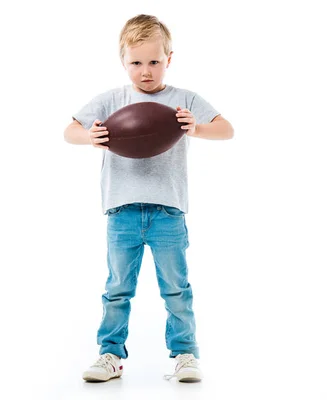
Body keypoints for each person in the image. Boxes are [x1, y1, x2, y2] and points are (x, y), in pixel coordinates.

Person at [63, 14, 234, 383]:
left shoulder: (183, 99)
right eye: (136, 62)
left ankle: (186, 354)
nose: (145, 71)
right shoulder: (112, 100)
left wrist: (196, 127)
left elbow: (227, 129)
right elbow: (70, 130)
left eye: (154, 61)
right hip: (121, 210)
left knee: (176, 288)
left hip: (168, 212)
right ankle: (109, 354)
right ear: (123, 61)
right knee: (117, 288)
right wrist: (90, 137)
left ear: (168, 59)